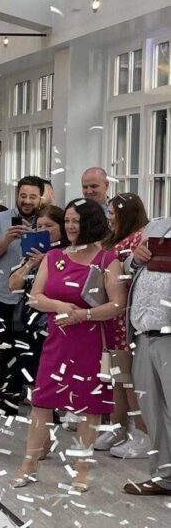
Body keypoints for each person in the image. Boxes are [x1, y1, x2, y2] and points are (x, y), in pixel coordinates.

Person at [14, 200, 125, 493]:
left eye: (77, 221)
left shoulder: (107, 260)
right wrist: (60, 305)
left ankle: (82, 469)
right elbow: (35, 296)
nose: (71, 226)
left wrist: (83, 314)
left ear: (91, 223)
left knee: (89, 406)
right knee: (42, 401)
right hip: (57, 340)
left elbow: (117, 304)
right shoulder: (53, 257)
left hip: (92, 341)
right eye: (69, 221)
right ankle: (30, 462)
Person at [0, 176, 45, 415]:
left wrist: (37, 236)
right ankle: (7, 398)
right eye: (23, 196)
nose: (27, 201)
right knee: (5, 347)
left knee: (30, 349)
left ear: (40, 197)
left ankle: (32, 397)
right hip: (4, 294)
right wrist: (6, 239)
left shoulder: (45, 220)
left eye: (32, 196)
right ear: (16, 195)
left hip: (36, 295)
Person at [98, 193, 151, 459]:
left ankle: (140, 433)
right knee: (117, 377)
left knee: (128, 379)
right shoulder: (118, 238)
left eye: (112, 213)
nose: (108, 218)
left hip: (126, 319)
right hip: (113, 319)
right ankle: (117, 426)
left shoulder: (139, 238)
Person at [122, 216, 171, 496]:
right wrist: (136, 258)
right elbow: (129, 268)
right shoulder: (157, 226)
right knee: (152, 411)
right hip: (143, 332)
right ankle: (164, 476)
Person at [6, 205, 67, 397]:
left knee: (52, 363)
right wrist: (31, 263)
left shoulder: (67, 252)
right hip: (28, 316)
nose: (43, 231)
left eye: (49, 226)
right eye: (39, 226)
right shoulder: (31, 254)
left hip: (54, 315)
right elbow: (13, 285)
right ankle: (37, 403)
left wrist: (48, 263)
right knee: (30, 363)